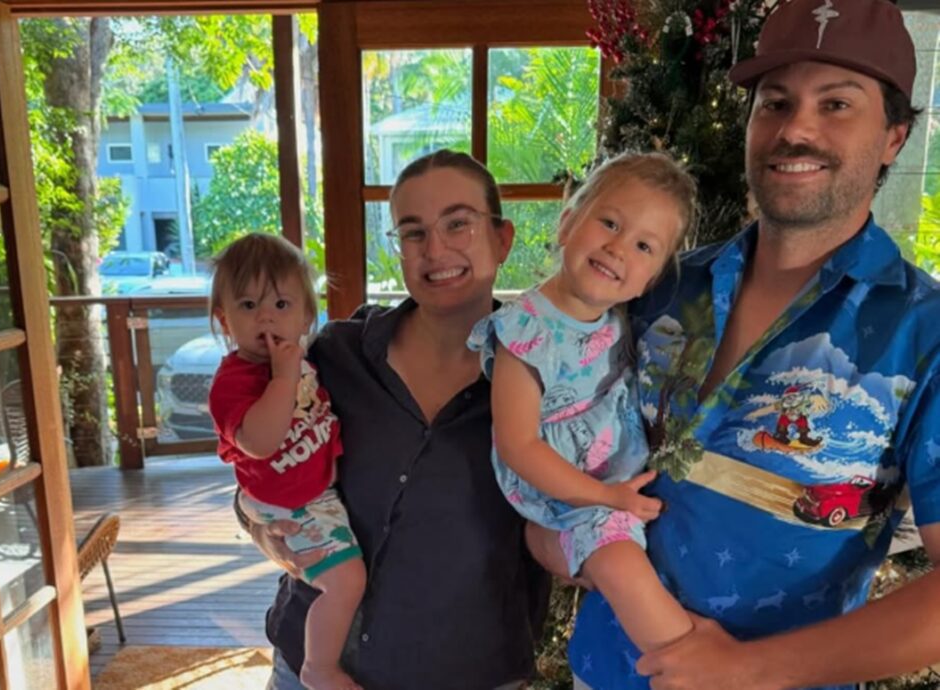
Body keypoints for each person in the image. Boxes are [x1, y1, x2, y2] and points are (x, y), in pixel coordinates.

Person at [528, 1, 940, 688]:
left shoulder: (923, 331)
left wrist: (747, 669)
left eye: (836, 104)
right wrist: (560, 536)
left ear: (894, 136)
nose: (795, 129)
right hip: (603, 671)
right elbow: (553, 417)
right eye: (774, 103)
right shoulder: (657, 285)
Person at [239, 150, 551, 690]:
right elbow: (255, 464)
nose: (436, 250)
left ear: (502, 239)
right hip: (308, 669)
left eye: (458, 224)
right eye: (413, 232)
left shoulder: (550, 377)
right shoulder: (336, 355)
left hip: (470, 672)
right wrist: (260, 526)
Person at [470, 151, 699, 654]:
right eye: (609, 223)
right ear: (568, 222)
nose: (617, 248)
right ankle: (690, 664)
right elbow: (517, 446)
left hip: (617, 480)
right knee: (618, 562)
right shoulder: (525, 329)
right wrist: (605, 498)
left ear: (650, 279)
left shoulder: (619, 316)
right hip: (567, 493)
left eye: (643, 245)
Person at [207, 234, 365, 690]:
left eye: (281, 304)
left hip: (306, 491)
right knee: (346, 582)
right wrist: (282, 379)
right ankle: (319, 666)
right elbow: (259, 442)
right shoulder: (235, 382)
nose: (266, 317)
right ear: (225, 320)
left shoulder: (305, 359)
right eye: (248, 305)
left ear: (307, 316)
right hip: (293, 503)